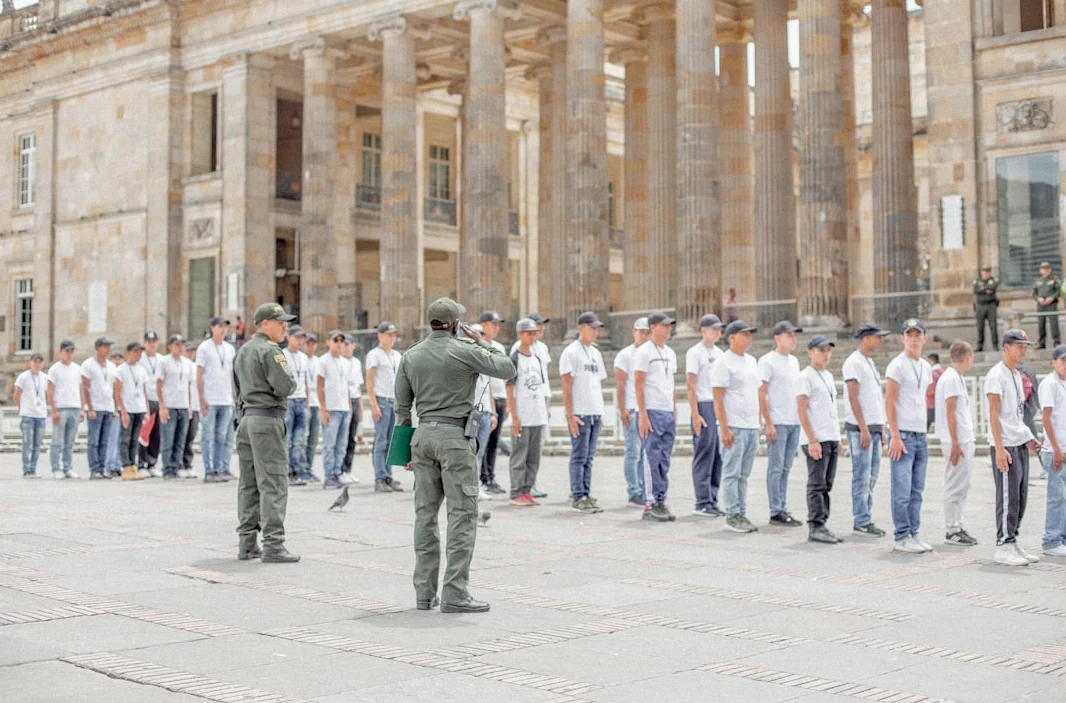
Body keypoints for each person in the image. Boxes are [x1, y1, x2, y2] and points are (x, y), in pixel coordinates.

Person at [395, 297, 515, 613]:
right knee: (461, 515)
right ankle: (455, 592)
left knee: (425, 515)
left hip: (422, 438)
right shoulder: (465, 349)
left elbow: (402, 408)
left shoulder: (410, 355)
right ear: (453, 324)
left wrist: (402, 450)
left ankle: (424, 593)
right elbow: (507, 367)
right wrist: (480, 340)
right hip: (454, 439)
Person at [234, 302, 299, 563]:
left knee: (248, 484)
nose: (285, 327)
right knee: (273, 483)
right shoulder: (271, 351)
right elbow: (286, 386)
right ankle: (274, 544)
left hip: (248, 419)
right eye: (279, 321)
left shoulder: (243, 350)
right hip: (268, 420)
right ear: (265, 324)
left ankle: (247, 543)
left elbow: (236, 388)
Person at [985, 329, 1041, 566]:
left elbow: (1016, 415)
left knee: (1020, 496)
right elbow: (994, 415)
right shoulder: (995, 375)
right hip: (1005, 443)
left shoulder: (1017, 375)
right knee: (1007, 496)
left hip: (1018, 441)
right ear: (1006, 347)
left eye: (1025, 345)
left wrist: (1028, 436)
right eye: (1018, 345)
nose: (1023, 349)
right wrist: (999, 447)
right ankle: (1003, 544)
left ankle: (1012, 539)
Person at [885, 319, 934, 554]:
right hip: (903, 434)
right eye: (909, 334)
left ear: (924, 338)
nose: (913, 338)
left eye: (918, 334)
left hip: (920, 433)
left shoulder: (925, 366)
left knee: (917, 489)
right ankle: (902, 534)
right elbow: (890, 400)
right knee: (901, 489)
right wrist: (894, 434)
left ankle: (914, 532)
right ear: (903, 338)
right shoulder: (897, 365)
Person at [712, 319, 762, 534]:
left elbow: (756, 393)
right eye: (745, 334)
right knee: (732, 473)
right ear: (732, 337)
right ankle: (733, 515)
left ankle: (741, 511)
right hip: (733, 425)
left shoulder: (752, 361)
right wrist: (724, 428)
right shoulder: (724, 362)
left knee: (743, 474)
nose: (749, 338)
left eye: (750, 334)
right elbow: (718, 397)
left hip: (751, 426)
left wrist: (758, 421)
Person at [843, 323, 890, 538]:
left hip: (874, 427)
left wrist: (881, 426)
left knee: (871, 475)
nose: (880, 340)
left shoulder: (868, 362)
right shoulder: (853, 362)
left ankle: (866, 516)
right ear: (866, 338)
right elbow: (853, 396)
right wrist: (862, 427)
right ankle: (860, 519)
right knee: (861, 475)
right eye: (876, 337)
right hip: (861, 429)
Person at [758, 321, 804, 527]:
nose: (793, 339)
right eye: (789, 335)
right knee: (775, 468)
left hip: (793, 421)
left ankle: (783, 506)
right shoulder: (767, 361)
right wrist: (768, 422)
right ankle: (775, 510)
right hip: (777, 421)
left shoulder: (794, 361)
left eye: (795, 335)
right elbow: (762, 393)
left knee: (786, 468)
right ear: (778, 338)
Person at [560, 311, 607, 513]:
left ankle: (586, 493)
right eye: (592, 328)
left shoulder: (596, 353)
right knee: (579, 456)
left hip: (594, 411)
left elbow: (597, 384)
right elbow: (566, 386)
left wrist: (601, 412)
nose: (595, 332)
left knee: (589, 456)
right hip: (580, 412)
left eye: (597, 328)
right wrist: (570, 414)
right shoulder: (571, 353)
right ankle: (578, 495)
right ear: (581, 328)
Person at [797, 336, 842, 544]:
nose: (825, 354)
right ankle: (815, 525)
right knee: (816, 484)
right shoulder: (805, 376)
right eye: (821, 350)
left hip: (830, 436)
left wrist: (837, 437)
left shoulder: (828, 376)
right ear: (810, 352)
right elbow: (802, 409)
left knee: (827, 484)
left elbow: (831, 409)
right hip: (816, 438)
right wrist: (812, 439)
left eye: (828, 350)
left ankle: (823, 522)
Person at [634, 312, 679, 522]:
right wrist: (642, 414)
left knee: (664, 459)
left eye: (670, 326)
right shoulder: (644, 352)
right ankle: (650, 503)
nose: (668, 329)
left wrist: (674, 411)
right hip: (651, 410)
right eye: (665, 325)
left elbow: (671, 385)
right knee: (651, 457)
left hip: (667, 411)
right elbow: (639, 384)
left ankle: (661, 499)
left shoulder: (670, 352)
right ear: (653, 327)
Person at [935, 342, 978, 546]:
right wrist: (954, 442)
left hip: (962, 437)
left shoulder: (956, 377)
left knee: (963, 484)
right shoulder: (951, 378)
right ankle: (952, 528)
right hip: (957, 439)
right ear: (967, 356)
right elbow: (950, 411)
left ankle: (958, 524)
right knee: (955, 484)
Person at [686, 314, 726, 518]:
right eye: (714, 329)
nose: (718, 332)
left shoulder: (720, 353)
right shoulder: (695, 353)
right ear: (704, 330)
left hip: (717, 404)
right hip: (703, 403)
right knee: (704, 452)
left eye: (719, 329)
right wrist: (694, 413)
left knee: (717, 455)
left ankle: (712, 498)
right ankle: (702, 501)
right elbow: (691, 384)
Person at [508, 318, 549, 507]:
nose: (532, 336)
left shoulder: (537, 358)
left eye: (534, 333)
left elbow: (539, 386)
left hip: (536, 413)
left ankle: (527, 488)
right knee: (520, 454)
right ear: (520, 335)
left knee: (534, 456)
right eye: (528, 333)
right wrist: (514, 416)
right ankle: (517, 491)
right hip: (522, 414)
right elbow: (510, 388)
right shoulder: (514, 358)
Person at [614, 317, 650, 505]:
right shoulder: (625, 355)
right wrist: (622, 409)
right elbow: (620, 384)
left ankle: (644, 487)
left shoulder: (651, 354)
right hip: (632, 408)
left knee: (646, 453)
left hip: (648, 410)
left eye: (647, 332)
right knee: (633, 452)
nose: (644, 335)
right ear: (634, 332)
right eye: (641, 331)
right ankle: (633, 490)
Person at [196, 316, 237, 483]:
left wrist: (235, 397)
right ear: (212, 327)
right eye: (219, 326)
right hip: (210, 398)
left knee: (222, 436)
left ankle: (220, 468)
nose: (223, 329)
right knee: (208, 436)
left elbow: (232, 375)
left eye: (225, 326)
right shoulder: (204, 348)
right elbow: (199, 373)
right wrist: (201, 398)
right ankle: (209, 469)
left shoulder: (230, 348)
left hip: (226, 399)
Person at [367, 322, 404, 492]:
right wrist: (373, 404)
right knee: (381, 441)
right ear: (380, 336)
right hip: (381, 400)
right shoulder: (374, 355)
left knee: (391, 441)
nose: (392, 338)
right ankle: (379, 477)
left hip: (394, 400)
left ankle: (388, 475)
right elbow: (370, 380)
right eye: (388, 334)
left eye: (393, 335)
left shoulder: (397, 355)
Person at [317, 330, 352, 489]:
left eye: (341, 340)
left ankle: (337, 472)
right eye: (335, 340)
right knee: (329, 444)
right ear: (329, 342)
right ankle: (329, 475)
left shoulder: (345, 362)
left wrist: (350, 407)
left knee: (342, 444)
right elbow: (320, 386)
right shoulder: (323, 361)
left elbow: (347, 387)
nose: (339, 343)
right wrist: (323, 409)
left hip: (344, 408)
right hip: (331, 408)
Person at [1040, 344, 1066, 558]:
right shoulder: (1049, 384)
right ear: (1054, 362)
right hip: (1054, 450)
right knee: (1056, 497)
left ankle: (1062, 537)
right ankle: (1051, 540)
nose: (1065, 364)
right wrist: (1056, 449)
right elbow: (1046, 419)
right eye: (1063, 360)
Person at [478, 311, 508, 495]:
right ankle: (483, 476)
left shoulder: (499, 347)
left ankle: (490, 477)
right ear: (483, 325)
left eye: (498, 324)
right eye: (493, 324)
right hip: (486, 400)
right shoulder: (478, 347)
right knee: (483, 441)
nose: (497, 327)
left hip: (500, 397)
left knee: (494, 441)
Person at [156, 334, 194, 480]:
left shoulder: (186, 363)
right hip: (170, 404)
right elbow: (159, 384)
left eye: (181, 344)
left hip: (183, 404)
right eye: (176, 344)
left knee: (180, 439)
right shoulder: (164, 362)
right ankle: (168, 468)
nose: (179, 347)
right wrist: (162, 406)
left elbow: (188, 385)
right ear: (170, 346)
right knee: (168, 438)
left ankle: (177, 466)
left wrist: (189, 405)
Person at [81, 337, 117, 480]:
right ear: (98, 348)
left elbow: (113, 387)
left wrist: (114, 407)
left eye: (109, 346)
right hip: (95, 406)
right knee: (94, 440)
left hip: (108, 406)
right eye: (105, 346)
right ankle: (94, 468)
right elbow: (85, 387)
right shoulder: (88, 364)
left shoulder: (111, 366)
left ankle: (102, 467)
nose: (108, 349)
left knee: (104, 441)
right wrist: (89, 407)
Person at [48, 340, 83, 480]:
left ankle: (67, 467)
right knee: (57, 440)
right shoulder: (54, 369)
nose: (69, 354)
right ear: (61, 352)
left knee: (70, 441)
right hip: (61, 407)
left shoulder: (77, 368)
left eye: (71, 351)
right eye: (66, 351)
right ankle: (56, 468)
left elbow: (81, 390)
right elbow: (50, 391)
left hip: (74, 406)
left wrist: (82, 408)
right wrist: (54, 410)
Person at [115, 342, 149, 480]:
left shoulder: (142, 370)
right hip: (128, 408)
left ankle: (133, 466)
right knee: (125, 439)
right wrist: (122, 411)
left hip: (139, 408)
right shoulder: (121, 370)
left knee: (135, 439)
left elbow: (144, 391)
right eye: (135, 351)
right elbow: (117, 393)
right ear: (128, 353)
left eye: (140, 352)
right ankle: (126, 466)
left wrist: (146, 409)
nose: (138, 354)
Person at [14, 353, 49, 478]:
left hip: (40, 414)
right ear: (30, 363)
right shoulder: (23, 377)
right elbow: (16, 395)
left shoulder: (45, 377)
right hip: (28, 414)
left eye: (40, 362)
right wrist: (21, 408)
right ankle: (26, 469)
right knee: (27, 442)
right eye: (35, 361)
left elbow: (47, 394)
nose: (37, 364)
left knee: (37, 444)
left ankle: (33, 468)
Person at [282, 326, 309, 486]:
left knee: (299, 440)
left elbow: (305, 381)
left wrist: (307, 401)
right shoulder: (282, 355)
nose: (299, 341)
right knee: (287, 439)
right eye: (296, 337)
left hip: (301, 400)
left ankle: (296, 470)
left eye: (301, 338)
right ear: (289, 337)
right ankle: (285, 471)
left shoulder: (304, 357)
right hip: (289, 400)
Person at [137, 331, 164, 478]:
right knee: (144, 433)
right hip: (145, 400)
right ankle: (141, 463)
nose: (152, 344)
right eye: (149, 341)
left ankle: (152, 463)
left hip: (159, 399)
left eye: (154, 341)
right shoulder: (140, 359)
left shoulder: (162, 359)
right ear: (145, 343)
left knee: (157, 434)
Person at [340, 333, 365, 486]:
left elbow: (358, 386)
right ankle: (340, 470)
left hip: (355, 400)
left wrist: (360, 407)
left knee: (352, 438)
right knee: (343, 438)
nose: (345, 347)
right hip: (344, 400)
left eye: (348, 344)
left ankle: (348, 470)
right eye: (344, 344)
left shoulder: (356, 362)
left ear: (353, 345)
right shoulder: (340, 362)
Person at [302, 332, 322, 483]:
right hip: (304, 402)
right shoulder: (301, 360)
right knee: (301, 439)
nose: (310, 346)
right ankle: (300, 468)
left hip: (316, 403)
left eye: (313, 343)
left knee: (313, 440)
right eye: (308, 343)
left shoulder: (319, 362)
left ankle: (308, 468)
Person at [104, 350, 125, 477]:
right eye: (114, 358)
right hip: (114, 410)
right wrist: (115, 409)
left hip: (125, 410)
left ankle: (118, 464)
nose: (117, 361)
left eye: (119, 358)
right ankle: (110, 464)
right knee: (112, 439)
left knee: (121, 439)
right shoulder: (110, 375)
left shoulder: (124, 373)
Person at [183, 343, 202, 480]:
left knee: (190, 437)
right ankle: (178, 464)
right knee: (180, 437)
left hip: (195, 406)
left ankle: (187, 464)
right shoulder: (182, 366)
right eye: (188, 351)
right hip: (183, 405)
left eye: (192, 351)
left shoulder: (196, 366)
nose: (190, 353)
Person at [1034, 261, 1062, 349]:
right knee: (1041, 324)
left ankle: (1056, 342)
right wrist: (1038, 298)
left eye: (1047, 268)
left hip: (1051, 304)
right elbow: (1034, 293)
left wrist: (1052, 298)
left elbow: (1059, 291)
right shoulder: (1038, 281)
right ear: (1040, 270)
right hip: (1041, 305)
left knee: (1054, 324)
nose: (1045, 270)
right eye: (1043, 269)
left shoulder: (1054, 279)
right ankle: (1042, 343)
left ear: (1050, 269)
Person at [973, 266, 1000, 351]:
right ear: (981, 272)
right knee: (980, 326)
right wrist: (985, 290)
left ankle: (995, 345)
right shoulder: (977, 281)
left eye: (988, 271)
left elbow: (992, 288)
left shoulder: (993, 280)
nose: (986, 273)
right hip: (980, 305)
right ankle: (980, 345)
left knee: (993, 326)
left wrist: (982, 289)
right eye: (985, 271)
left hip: (991, 305)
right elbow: (976, 290)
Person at [925, 353, 943, 433]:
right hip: (941, 402)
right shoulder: (942, 372)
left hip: (932, 403)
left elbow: (930, 391)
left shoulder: (933, 373)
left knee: (926, 423)